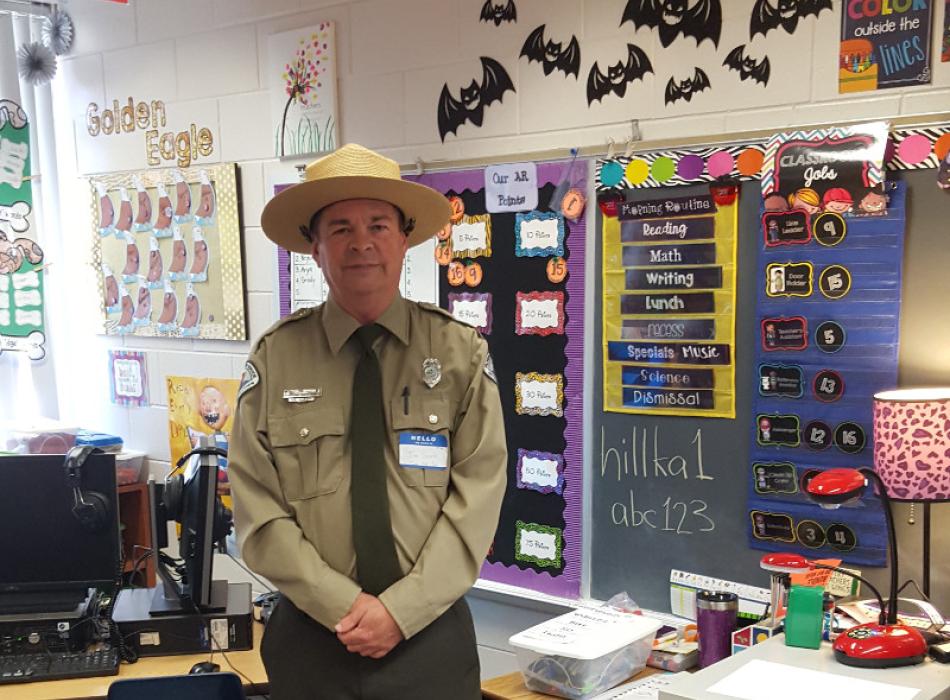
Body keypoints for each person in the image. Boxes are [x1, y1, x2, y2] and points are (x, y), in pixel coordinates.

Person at [228, 143, 508, 700]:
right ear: (314, 247)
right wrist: (345, 606)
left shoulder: (458, 355)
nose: (361, 243)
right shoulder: (275, 359)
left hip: (430, 640)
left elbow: (477, 500)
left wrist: (399, 612)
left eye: (378, 224)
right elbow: (259, 513)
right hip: (313, 641)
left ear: (405, 238)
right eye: (340, 228)